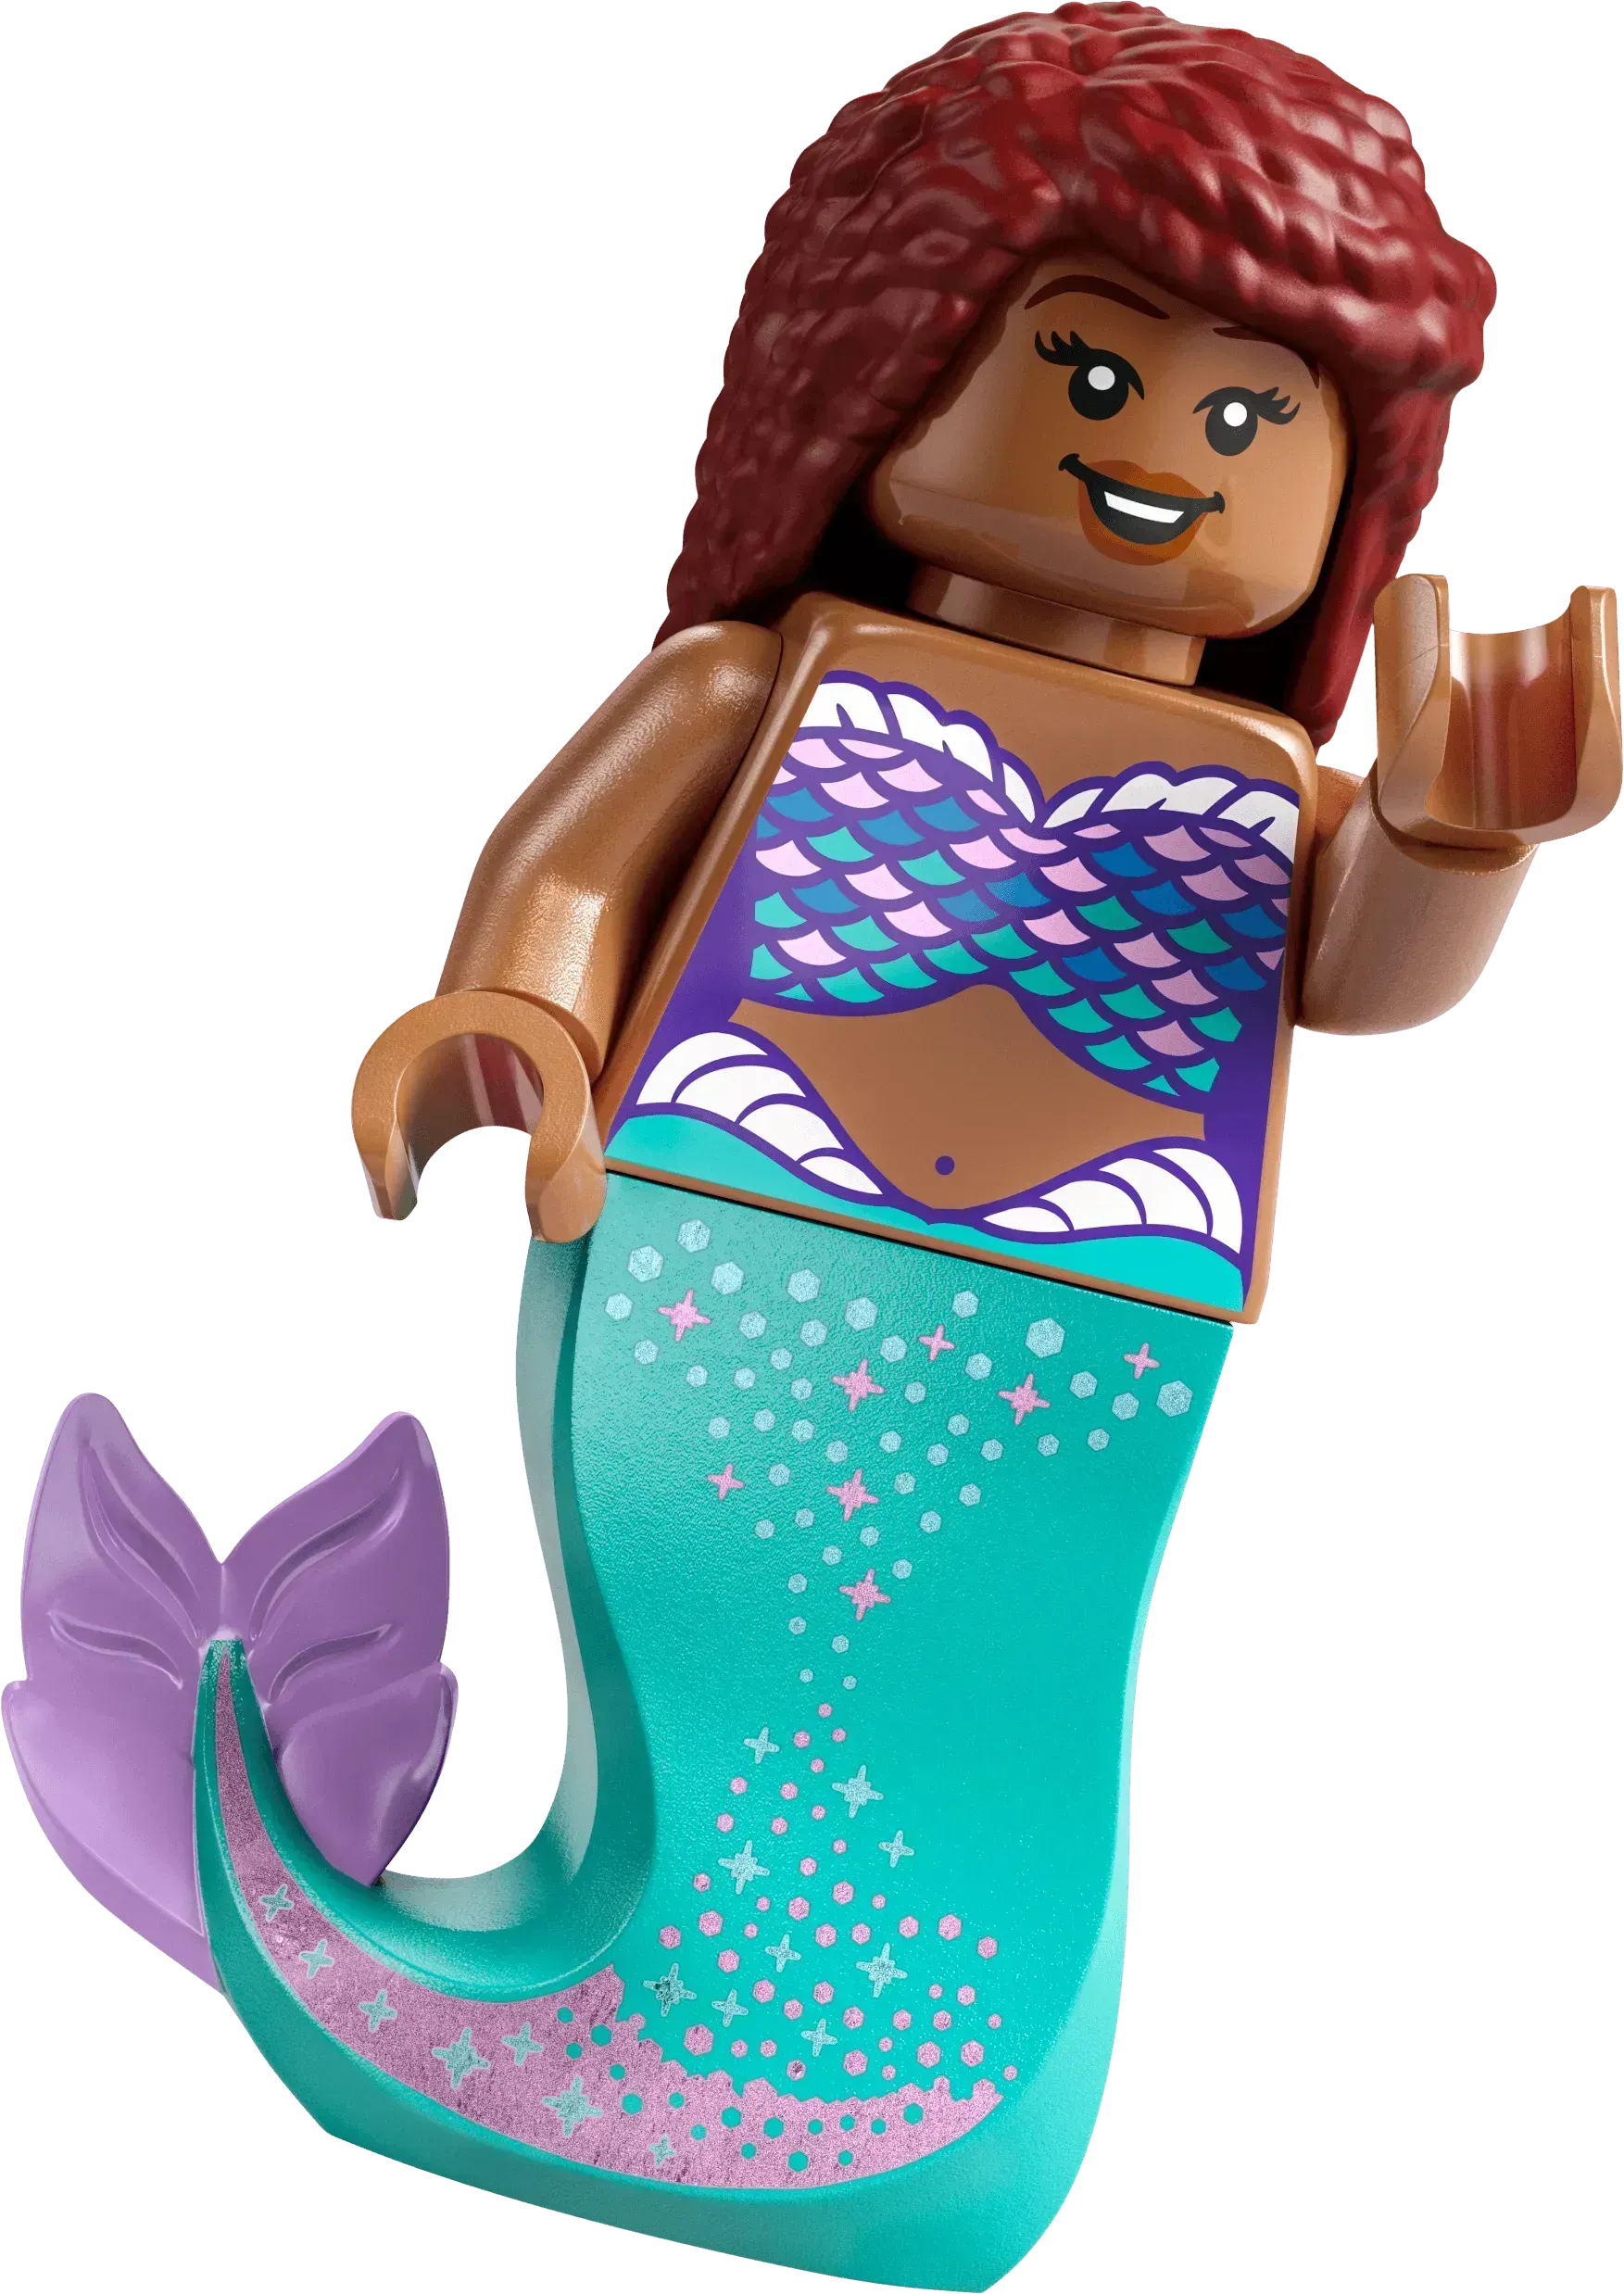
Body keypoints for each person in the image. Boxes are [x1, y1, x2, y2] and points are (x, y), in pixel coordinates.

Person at [10, 10, 1618, 2288]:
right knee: (722, 1669)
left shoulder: (1270, 802)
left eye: (1255, 417)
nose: (1166, 456)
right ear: (895, 362)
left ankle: (900, 2123)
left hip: (1095, 1328)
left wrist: (1457, 835)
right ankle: (649, 2038)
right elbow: (576, 874)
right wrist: (512, 1014)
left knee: (994, 1735)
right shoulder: (762, 685)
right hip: (733, 1243)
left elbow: (1362, 969)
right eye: (1092, 372)